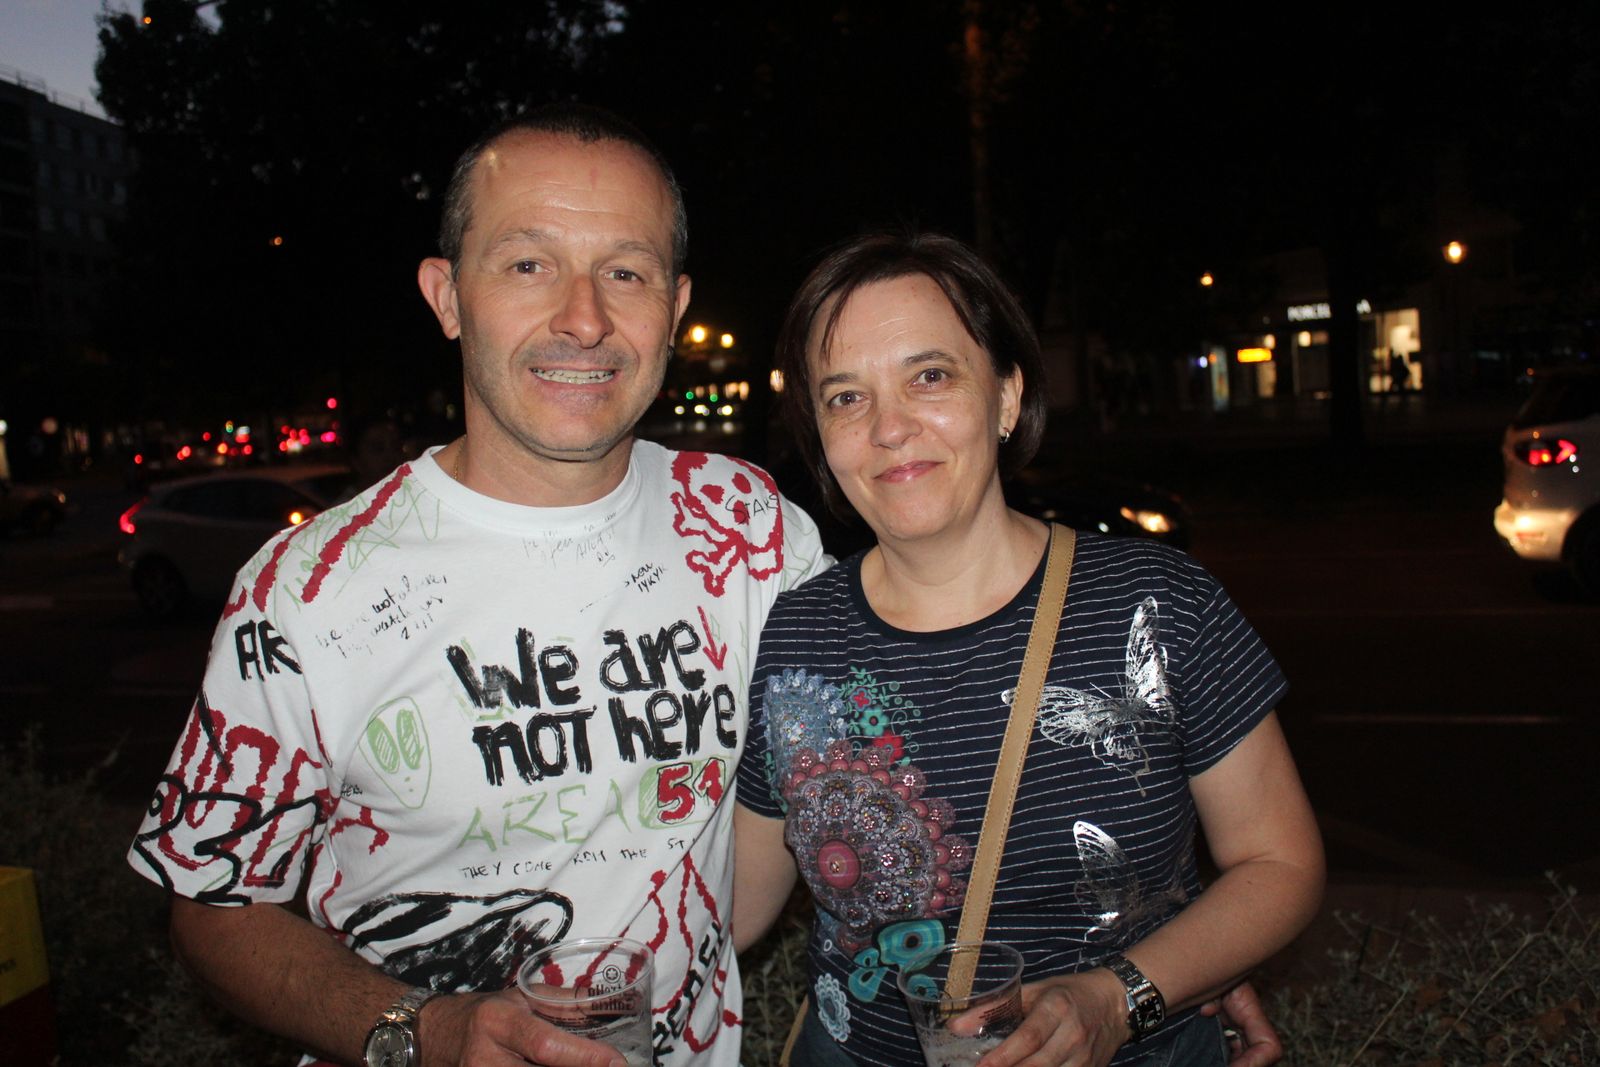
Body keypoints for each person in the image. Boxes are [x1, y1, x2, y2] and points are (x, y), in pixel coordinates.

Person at [126, 103, 829, 1067]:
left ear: (674, 303)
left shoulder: (750, 528)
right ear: (448, 296)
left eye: (626, 271)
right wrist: (424, 1029)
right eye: (528, 264)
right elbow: (212, 906)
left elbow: (875, 737)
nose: (584, 318)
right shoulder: (307, 588)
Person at [732, 232, 1324, 1066]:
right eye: (845, 397)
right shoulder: (798, 635)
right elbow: (733, 904)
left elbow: (1280, 860)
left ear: (1006, 396)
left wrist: (1120, 997)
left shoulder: (1158, 601)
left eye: (929, 376)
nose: (890, 427)